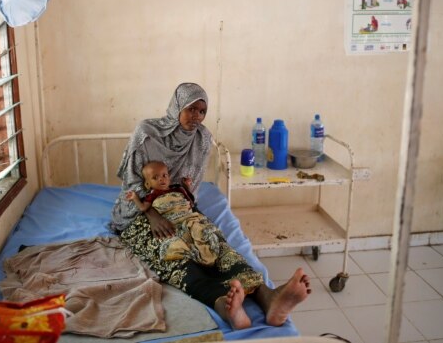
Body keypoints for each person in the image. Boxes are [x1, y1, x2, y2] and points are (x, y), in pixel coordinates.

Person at [110, 82, 311, 330]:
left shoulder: (202, 138)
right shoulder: (146, 133)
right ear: (176, 107)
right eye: (190, 109)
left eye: (202, 111)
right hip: (142, 212)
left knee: (213, 241)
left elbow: (190, 187)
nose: (196, 117)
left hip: (179, 204)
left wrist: (185, 212)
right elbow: (132, 183)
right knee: (172, 251)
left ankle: (267, 297)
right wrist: (152, 214)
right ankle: (224, 306)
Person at [125, 160, 220, 265]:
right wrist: (135, 198)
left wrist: (187, 185)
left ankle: (206, 252)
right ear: (148, 184)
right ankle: (193, 253)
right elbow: (143, 208)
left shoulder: (178, 189)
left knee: (200, 229)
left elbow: (190, 201)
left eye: (164, 175)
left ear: (169, 178)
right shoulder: (152, 195)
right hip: (172, 223)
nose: (161, 179)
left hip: (188, 218)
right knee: (173, 245)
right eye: (155, 177)